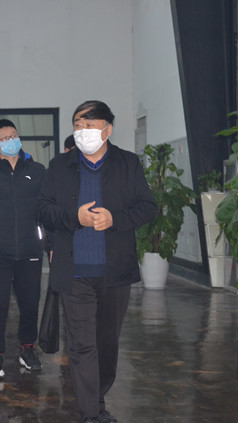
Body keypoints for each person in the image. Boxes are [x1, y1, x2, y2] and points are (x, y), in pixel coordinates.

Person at [37, 100, 157, 423]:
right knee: (81, 345)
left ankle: (98, 397)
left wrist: (115, 219)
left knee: (106, 344)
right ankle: (91, 413)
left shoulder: (128, 163)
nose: (83, 131)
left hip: (114, 271)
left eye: (90, 125)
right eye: (78, 125)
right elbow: (43, 209)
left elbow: (148, 207)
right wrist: (73, 217)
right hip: (74, 272)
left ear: (108, 129)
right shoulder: (60, 166)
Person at [0, 119, 46, 378]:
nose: (11, 141)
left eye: (13, 135)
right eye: (4, 138)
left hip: (30, 250)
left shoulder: (37, 170)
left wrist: (46, 237)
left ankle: (27, 350)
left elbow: (47, 206)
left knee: (30, 304)